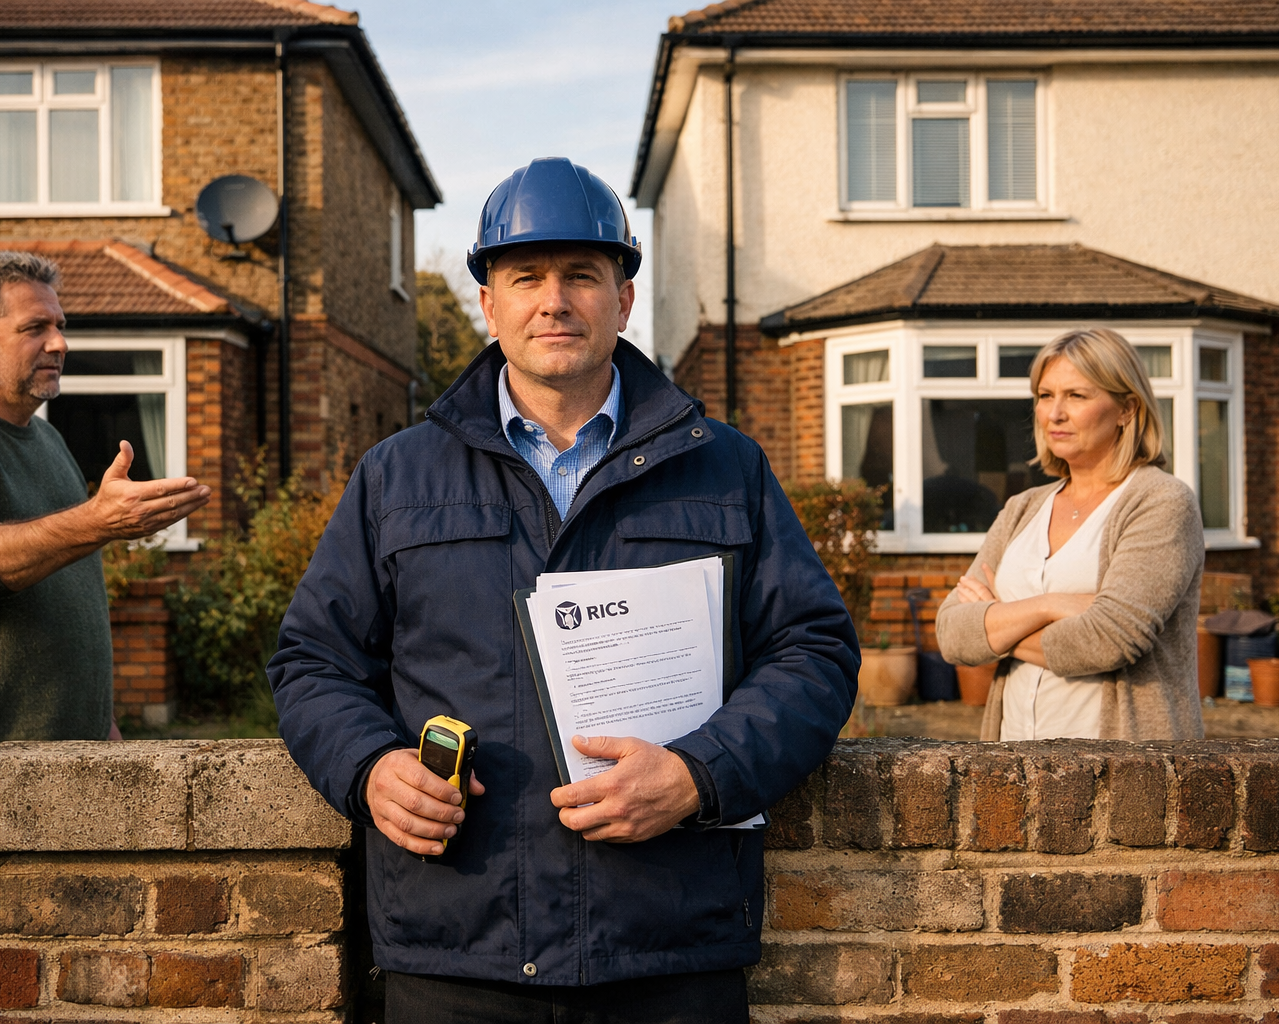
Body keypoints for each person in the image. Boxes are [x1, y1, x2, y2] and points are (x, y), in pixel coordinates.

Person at [268, 158, 857, 1024]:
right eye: (526, 277)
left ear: (622, 300)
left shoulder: (725, 465)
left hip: (668, 942)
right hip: (457, 944)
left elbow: (814, 651)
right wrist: (370, 767)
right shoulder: (396, 475)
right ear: (488, 304)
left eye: (583, 275)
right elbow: (313, 660)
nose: (555, 300)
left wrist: (703, 773)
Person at [0, 251, 210, 743]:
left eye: (60, 325)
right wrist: (97, 521)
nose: (60, 343)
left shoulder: (49, 442)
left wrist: (101, 726)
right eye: (34, 328)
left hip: (67, 761)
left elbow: (71, 595)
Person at [936, 327, 1204, 741]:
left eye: (1076, 396)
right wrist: (1052, 605)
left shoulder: (1161, 502)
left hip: (1125, 772)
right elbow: (952, 634)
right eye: (1045, 396)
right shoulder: (1022, 508)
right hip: (1013, 765)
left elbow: (1108, 640)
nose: (1054, 414)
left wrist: (994, 624)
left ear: (1127, 410)